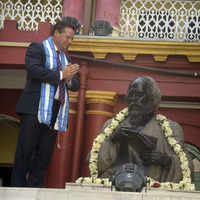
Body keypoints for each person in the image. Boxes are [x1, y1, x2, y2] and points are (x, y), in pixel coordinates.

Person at [11, 17, 80, 187]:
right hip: (35, 108)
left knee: (44, 154)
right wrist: (62, 75)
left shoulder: (66, 59)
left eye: (72, 38)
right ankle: (17, 189)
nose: (70, 41)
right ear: (56, 33)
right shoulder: (38, 48)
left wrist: (70, 79)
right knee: (25, 151)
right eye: (67, 37)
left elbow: (76, 85)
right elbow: (34, 70)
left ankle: (35, 189)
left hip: (55, 111)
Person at [93, 76, 193, 183]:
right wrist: (112, 140)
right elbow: (94, 163)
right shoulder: (111, 126)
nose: (134, 100)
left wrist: (166, 160)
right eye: (131, 95)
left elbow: (187, 168)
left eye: (139, 95)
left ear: (152, 99)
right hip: (115, 188)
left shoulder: (171, 129)